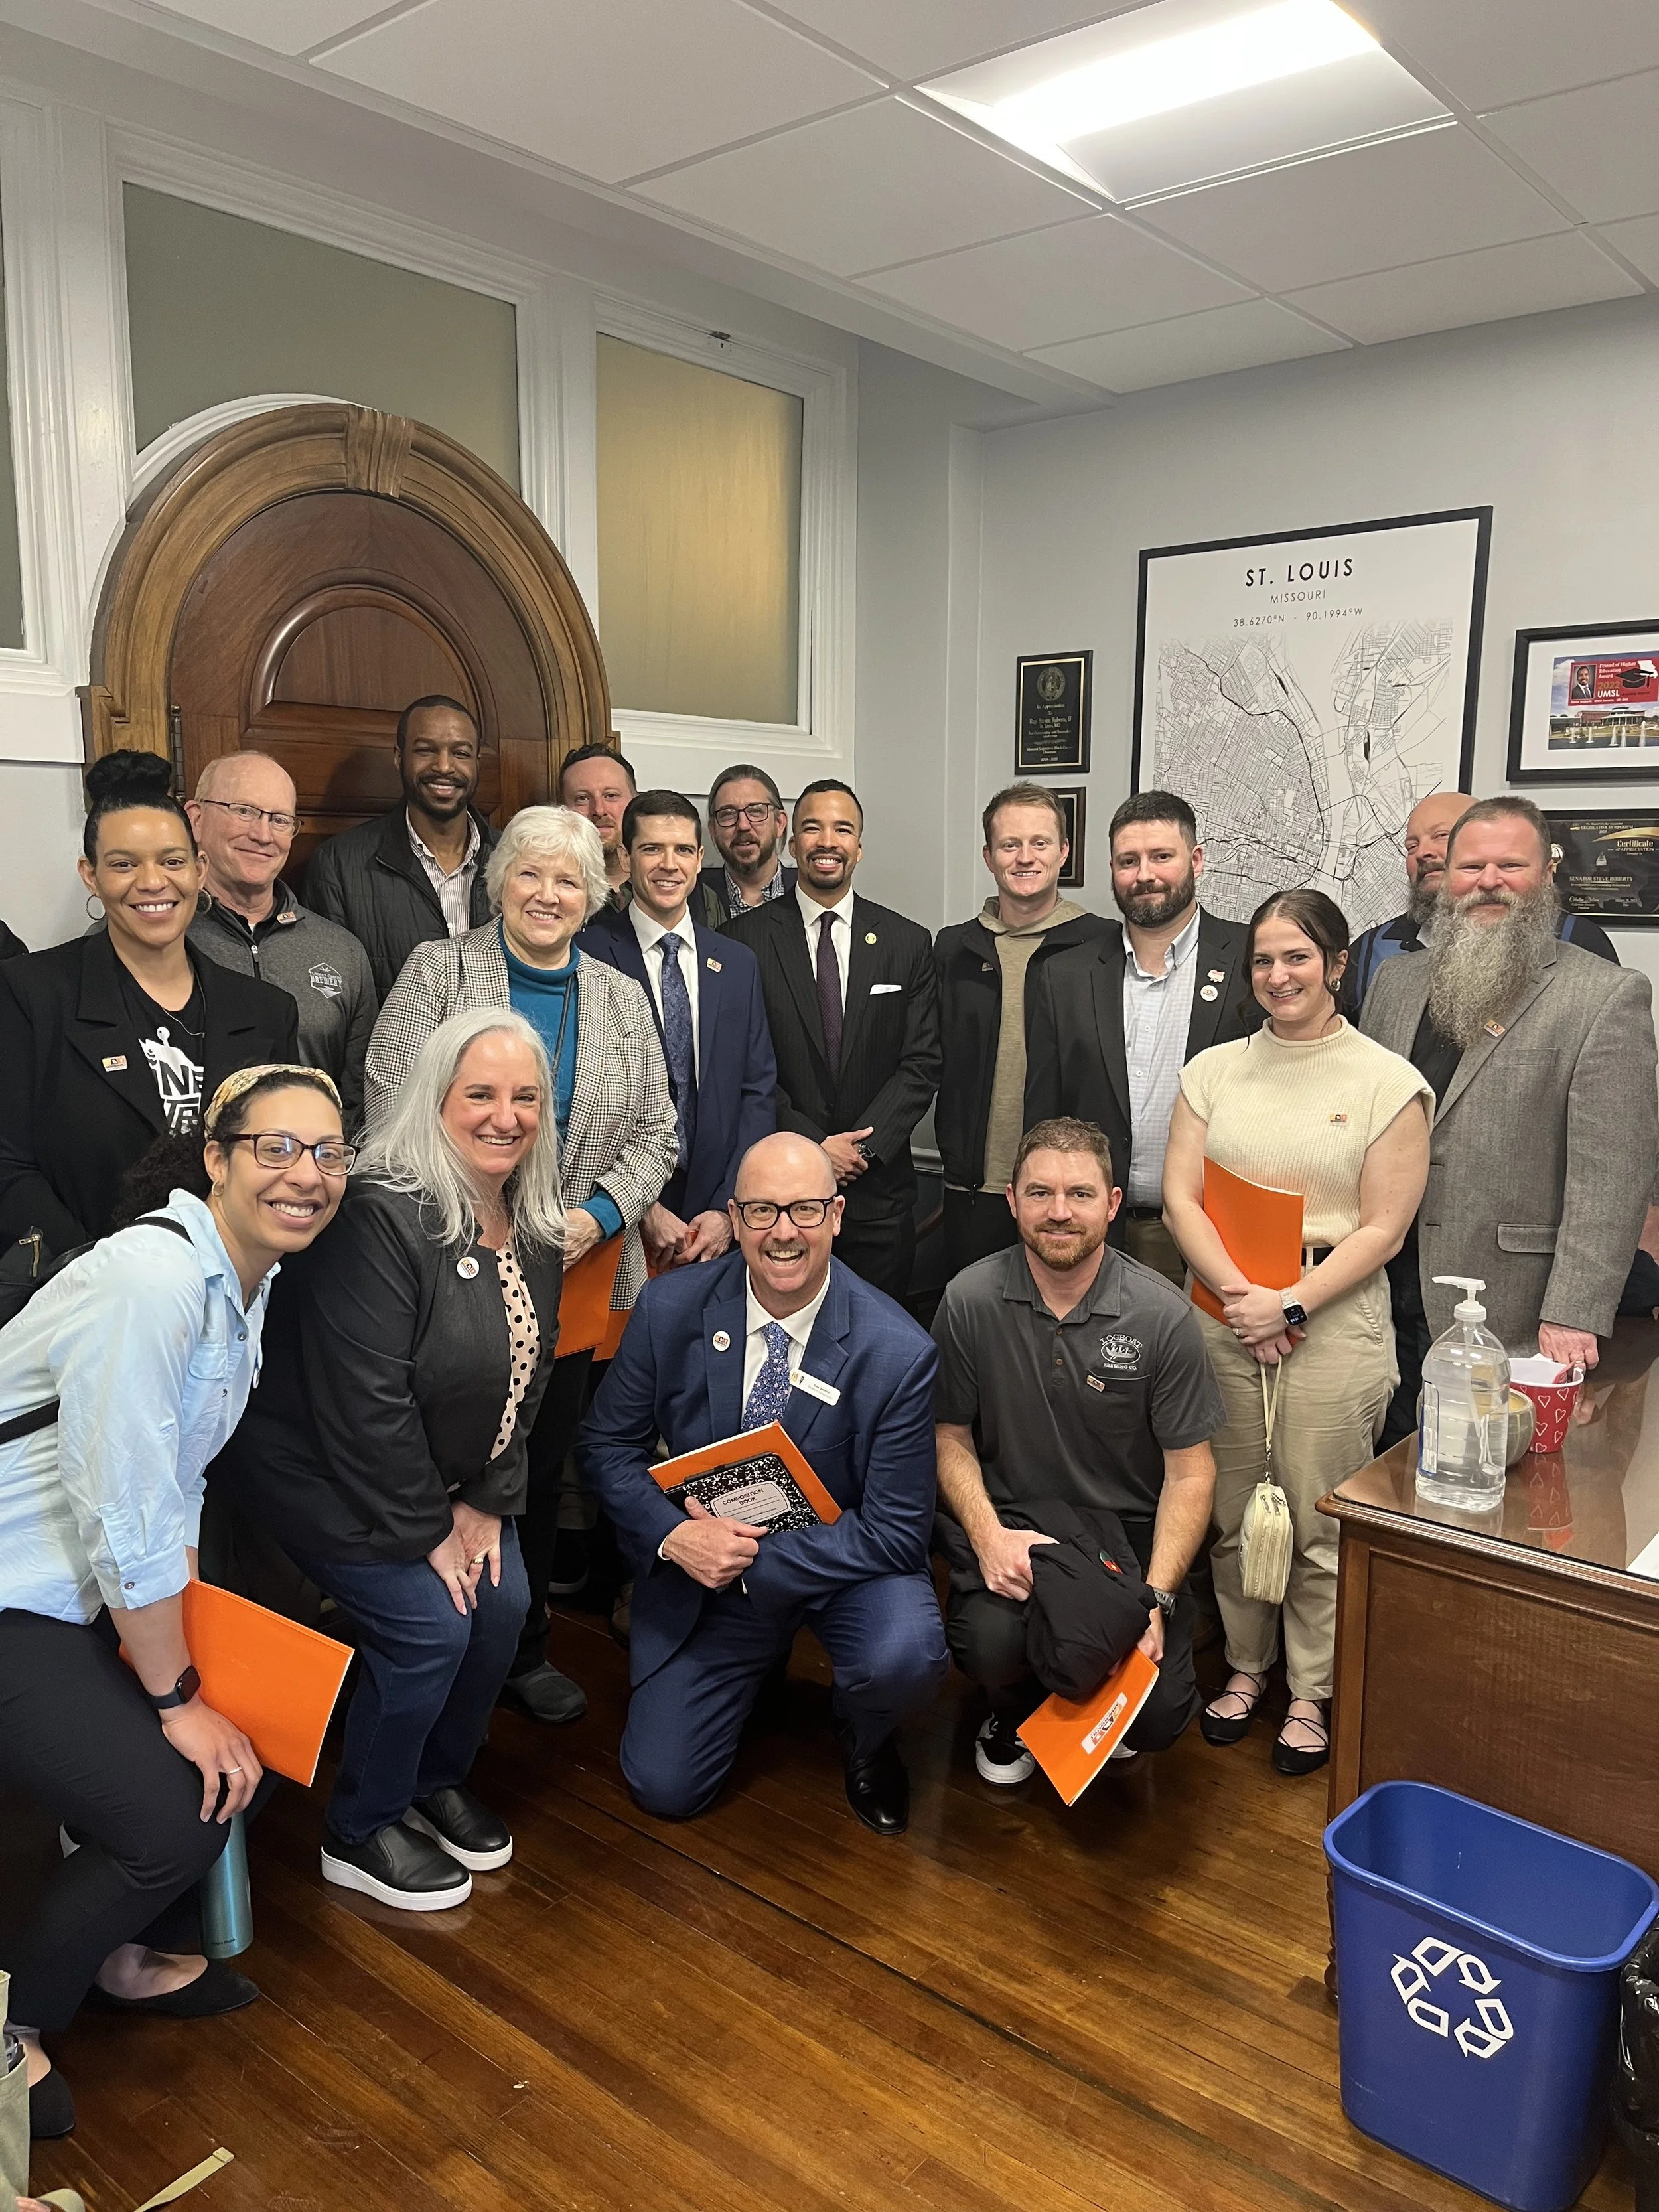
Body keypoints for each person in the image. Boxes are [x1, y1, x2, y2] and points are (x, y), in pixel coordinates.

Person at [0, 1065, 346, 2138]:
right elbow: (124, 1506)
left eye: (328, 1150)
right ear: (217, 1155)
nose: (306, 1172)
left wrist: (198, 1663)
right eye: (276, 1146)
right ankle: (12, 2019)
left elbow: (176, 1479)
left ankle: (108, 1950)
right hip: (15, 1587)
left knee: (248, 1757)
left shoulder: (240, 1281)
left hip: (70, 1587)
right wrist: (176, 1688)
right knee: (173, 1809)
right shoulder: (154, 1276)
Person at [215, 1011, 564, 1911]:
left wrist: (487, 1499)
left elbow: (528, 1376)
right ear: (436, 1100)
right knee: (430, 1627)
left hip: (448, 1476)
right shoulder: (381, 1212)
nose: (505, 1115)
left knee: (506, 1607)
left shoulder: (532, 1214)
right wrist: (428, 1530)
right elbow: (364, 1405)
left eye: (525, 1096)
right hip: (323, 1468)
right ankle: (360, 1826)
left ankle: (429, 1778)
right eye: (479, 1095)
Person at [364, 805, 678, 1724]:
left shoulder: (620, 994)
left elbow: (661, 1126)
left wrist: (600, 1214)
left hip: (575, 1267)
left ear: (595, 896)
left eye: (570, 880)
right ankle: (435, 1634)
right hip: (450, 1259)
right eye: (531, 875)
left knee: (537, 1461)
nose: (549, 894)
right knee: (447, 1446)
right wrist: (476, 1209)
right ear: (500, 881)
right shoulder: (442, 969)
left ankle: (521, 1640)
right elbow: (390, 1096)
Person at [578, 1131, 948, 1832]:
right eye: (762, 1212)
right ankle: (752, 1664)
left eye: (805, 1210)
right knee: (664, 1787)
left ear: (836, 1215)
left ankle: (864, 1732)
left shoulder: (897, 1352)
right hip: (705, 1564)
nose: (784, 1233)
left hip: (840, 1565)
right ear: (733, 1216)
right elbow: (605, 1445)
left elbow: (898, 1533)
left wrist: (750, 1564)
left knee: (904, 1656)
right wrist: (674, 1537)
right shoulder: (669, 1310)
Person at [1163, 889, 1431, 1777]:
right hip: (1223, 1311)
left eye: (1298, 958)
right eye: (1264, 961)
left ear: (1339, 964)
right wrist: (1244, 1298)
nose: (1279, 976)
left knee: (1317, 1521)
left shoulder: (1387, 1081)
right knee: (1234, 1512)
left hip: (1334, 1316)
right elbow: (1181, 1198)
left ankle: (1310, 1691)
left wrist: (1292, 1303)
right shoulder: (1214, 1070)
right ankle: (1245, 1668)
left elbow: (1385, 1228)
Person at [933, 1118, 1221, 1784]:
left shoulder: (1161, 1317)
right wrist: (985, 1536)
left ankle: (1094, 1696)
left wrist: (1156, 1597)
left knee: (1157, 1720)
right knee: (990, 1644)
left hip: (1123, 1546)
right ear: (1011, 1201)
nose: (1058, 1212)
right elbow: (947, 1438)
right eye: (1039, 1193)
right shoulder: (968, 1301)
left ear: (1113, 1204)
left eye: (1079, 1194)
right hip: (1019, 1530)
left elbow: (1191, 1471)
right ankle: (1016, 1710)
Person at [1361, 795, 1658, 1440]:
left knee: (1485, 1497)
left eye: (1509, 865)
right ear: (1446, 877)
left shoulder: (1604, 996)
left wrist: (1573, 1313)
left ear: (1547, 874)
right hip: (1381, 1298)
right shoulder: (1396, 984)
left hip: (1510, 1309)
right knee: (1381, 1486)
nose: (1487, 882)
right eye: (1470, 867)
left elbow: (1612, 1176)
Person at [0, 753, 298, 1254]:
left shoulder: (267, 1011)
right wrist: (104, 1274)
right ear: (90, 875)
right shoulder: (31, 992)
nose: (153, 882)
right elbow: (8, 1167)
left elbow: (279, 1160)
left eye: (172, 860)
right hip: (84, 1291)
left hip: (237, 1292)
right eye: (123, 864)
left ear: (199, 870)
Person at [1024, 792, 1256, 1288]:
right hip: (1094, 1235)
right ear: (1111, 868)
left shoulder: (1251, 962)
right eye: (1128, 861)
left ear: (1196, 860)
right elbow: (1044, 1118)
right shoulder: (1064, 975)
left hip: (1221, 1234)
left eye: (1161, 857)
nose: (1144, 875)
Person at [724, 782, 941, 1301]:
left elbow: (921, 1064)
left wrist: (860, 1148)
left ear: (859, 847)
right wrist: (815, 1151)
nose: (828, 840)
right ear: (792, 842)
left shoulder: (907, 942)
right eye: (813, 827)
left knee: (873, 1352)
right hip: (778, 1206)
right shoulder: (742, 943)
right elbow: (745, 1068)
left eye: (843, 829)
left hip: (878, 1200)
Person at [578, 789, 776, 1270]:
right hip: (618, 1224)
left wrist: (732, 1207)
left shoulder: (736, 962)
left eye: (683, 850)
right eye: (652, 849)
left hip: (718, 1218)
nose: (669, 865)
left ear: (700, 857)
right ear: (625, 856)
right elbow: (582, 1101)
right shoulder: (588, 955)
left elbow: (757, 1091)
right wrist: (639, 1204)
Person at [934, 785, 1107, 1277]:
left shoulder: (1101, 944)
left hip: (1065, 1192)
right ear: (989, 857)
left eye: (1040, 843)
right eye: (1010, 845)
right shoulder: (955, 948)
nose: (1025, 857)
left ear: (1064, 852)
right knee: (978, 1330)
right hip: (974, 1187)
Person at [184, 751, 378, 1126]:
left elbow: (361, 1096)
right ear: (196, 818)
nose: (262, 834)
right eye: (243, 810)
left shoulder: (341, 951)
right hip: (191, 1176)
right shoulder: (158, 940)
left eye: (280, 820)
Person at [1345, 789, 1616, 1016]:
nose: (1423, 853)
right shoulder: (1374, 950)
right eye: (1411, 846)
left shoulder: (1575, 939)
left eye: (1442, 836)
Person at [305, 696, 497, 1000]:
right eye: (425, 750)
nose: (444, 766)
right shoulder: (338, 865)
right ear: (398, 757)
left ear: (477, 764)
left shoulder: (515, 858)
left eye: (460, 753)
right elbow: (333, 1002)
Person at [700, 763, 796, 921]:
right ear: (713, 829)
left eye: (756, 811)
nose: (743, 825)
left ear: (779, 823)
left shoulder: (809, 891)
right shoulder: (693, 896)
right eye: (728, 814)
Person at [558, 741, 640, 913]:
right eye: (582, 798)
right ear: (563, 810)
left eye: (611, 795)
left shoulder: (679, 887)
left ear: (635, 803)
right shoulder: (551, 896)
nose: (599, 810)